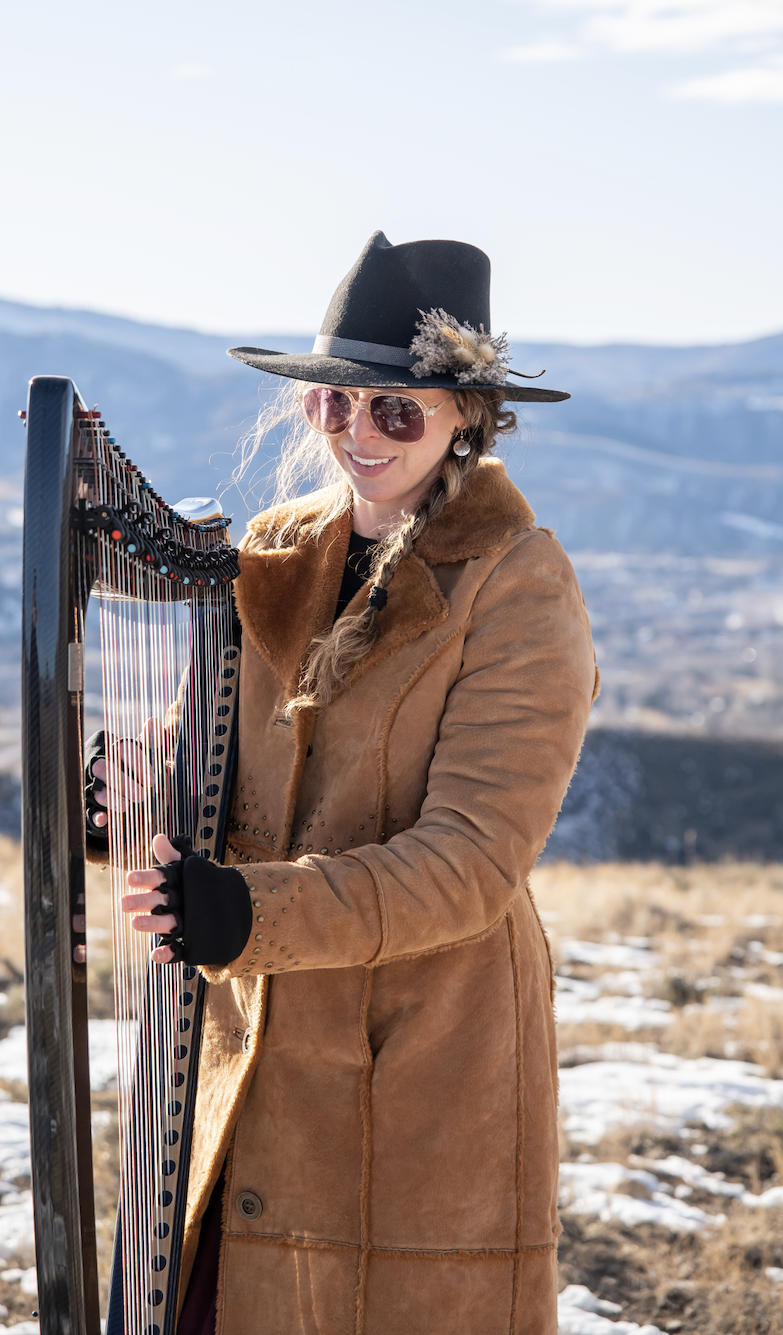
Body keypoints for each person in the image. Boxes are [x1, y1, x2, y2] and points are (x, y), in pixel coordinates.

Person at [88, 231, 599, 1335]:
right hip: (252, 1054)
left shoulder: (521, 589)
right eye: (333, 404)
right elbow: (207, 765)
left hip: (419, 1066)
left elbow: (469, 863)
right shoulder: (277, 550)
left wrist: (248, 908)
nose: (355, 433)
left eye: (396, 410)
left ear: (469, 413)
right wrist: (131, 795)